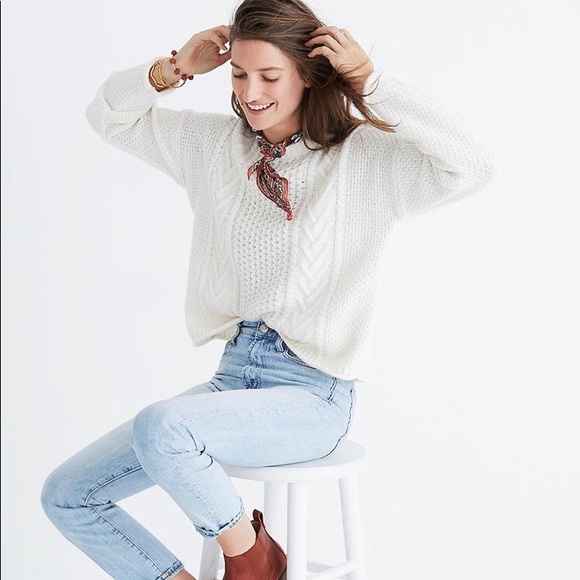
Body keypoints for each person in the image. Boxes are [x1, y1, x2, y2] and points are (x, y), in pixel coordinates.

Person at [41, 0, 497, 578]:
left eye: (269, 76)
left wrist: (371, 83)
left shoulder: (365, 159)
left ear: (308, 76)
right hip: (233, 380)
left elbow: (473, 164)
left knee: (163, 425)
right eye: (238, 74)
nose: (249, 92)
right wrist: (175, 67)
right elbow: (109, 116)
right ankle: (250, 559)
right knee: (68, 495)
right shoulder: (213, 147)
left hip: (313, 397)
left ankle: (253, 562)